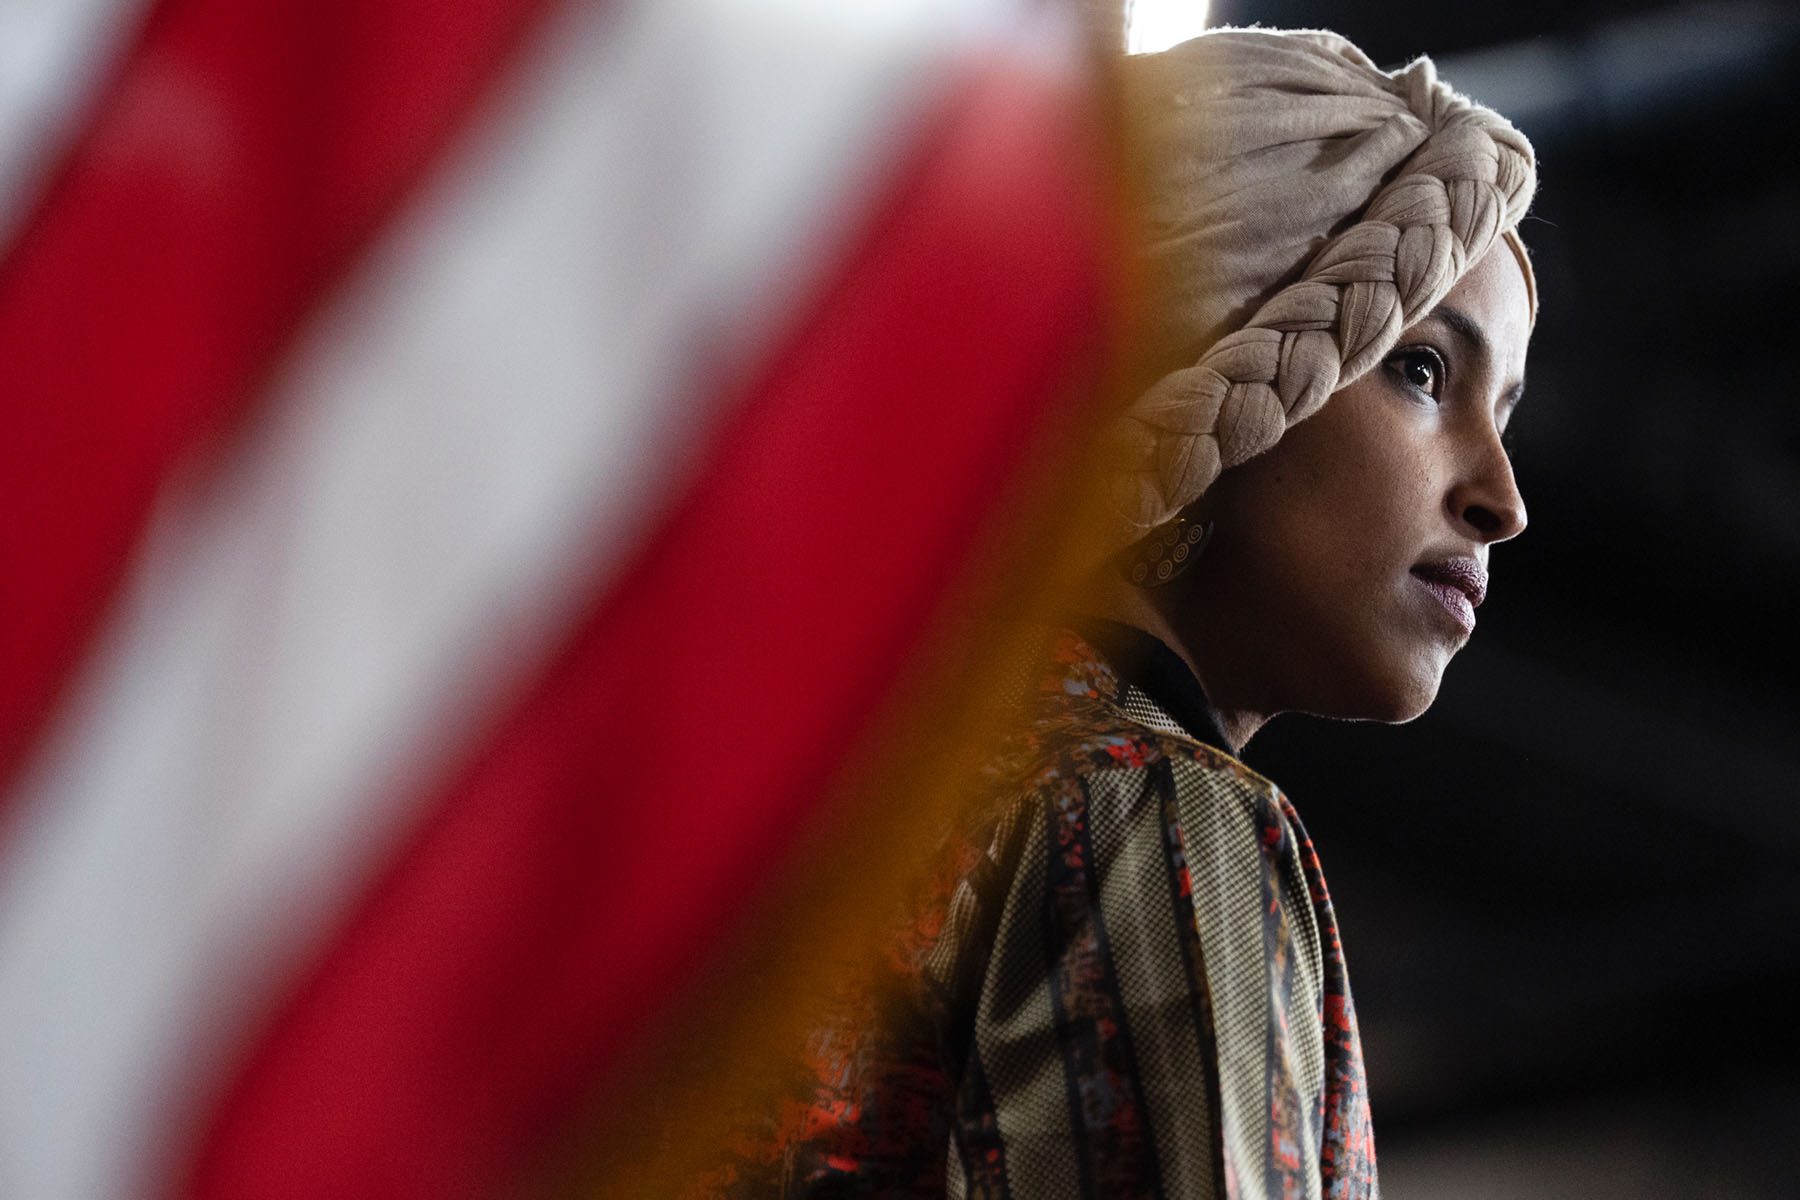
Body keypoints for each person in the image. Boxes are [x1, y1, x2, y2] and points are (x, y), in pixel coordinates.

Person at [709, 27, 1537, 1200]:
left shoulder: (841, 790)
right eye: (1421, 372)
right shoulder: (1142, 808)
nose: (1500, 500)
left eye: (1505, 411)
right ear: (1210, 345)